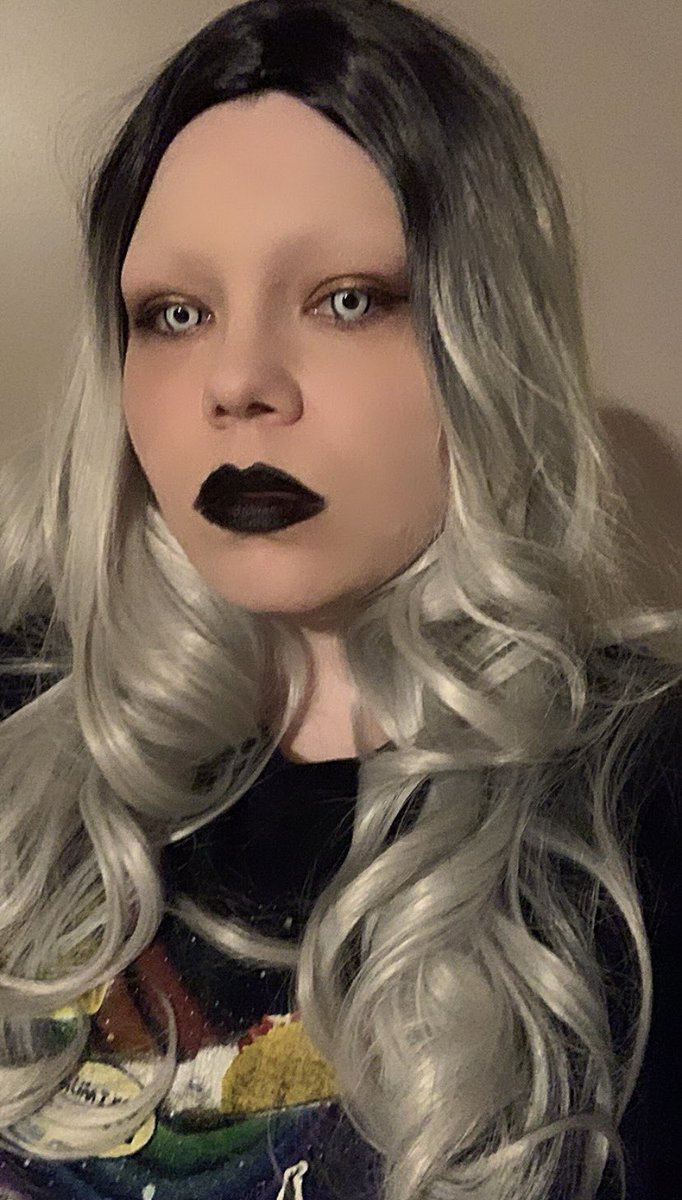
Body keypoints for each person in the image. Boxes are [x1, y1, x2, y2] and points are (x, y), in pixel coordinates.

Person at [0, 0, 680, 1197]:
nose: (238, 382)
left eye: (346, 298)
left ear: (486, 337)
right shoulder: (23, 713)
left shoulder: (646, 790)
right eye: (175, 314)